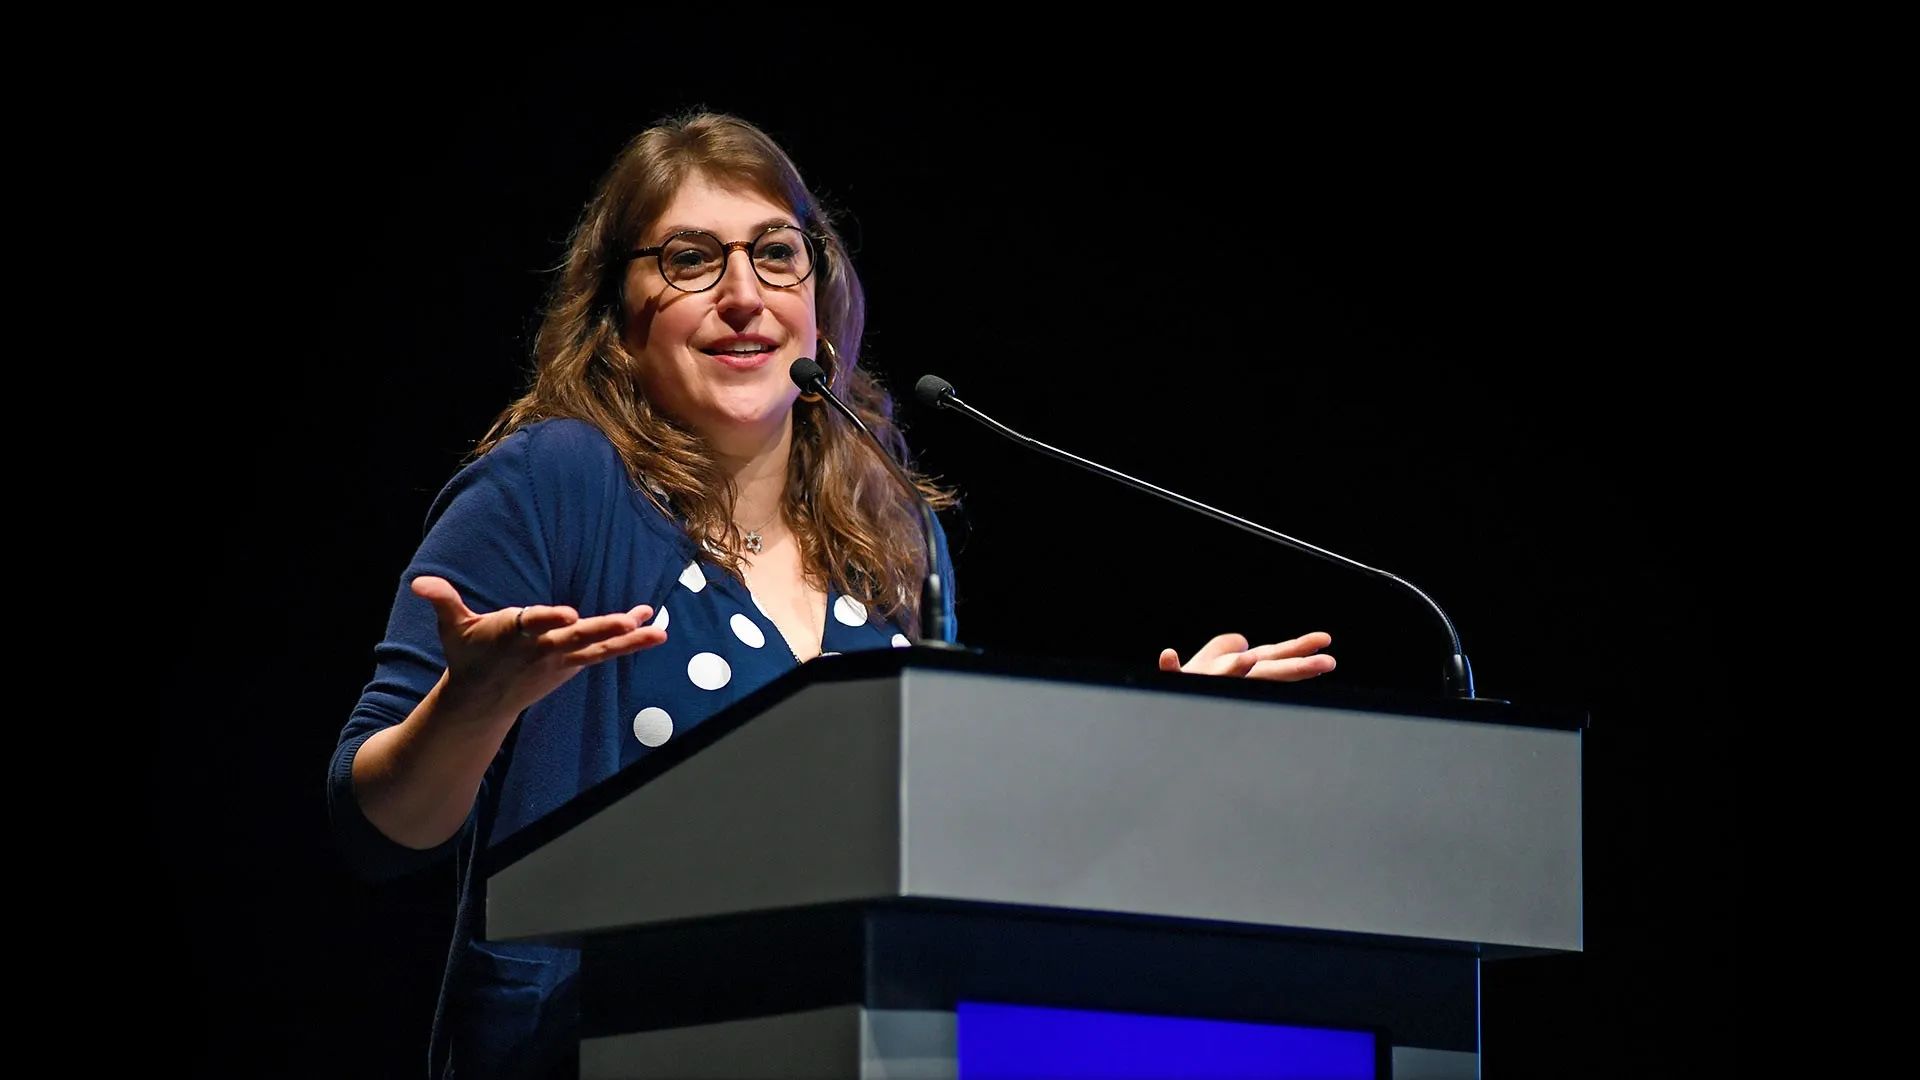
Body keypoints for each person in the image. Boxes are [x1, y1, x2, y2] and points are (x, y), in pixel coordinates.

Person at [326, 110, 1338, 1080]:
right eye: (690, 259)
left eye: (777, 253)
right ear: (616, 320)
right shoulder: (557, 483)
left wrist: (1158, 744)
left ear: (819, 295)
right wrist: (474, 703)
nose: (744, 294)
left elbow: (957, 835)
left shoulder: (893, 536)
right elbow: (376, 823)